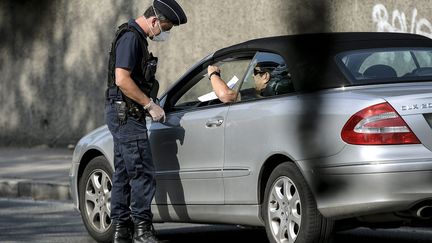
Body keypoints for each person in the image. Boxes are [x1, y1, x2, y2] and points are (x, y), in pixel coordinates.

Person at [105, 1, 187, 243]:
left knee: (123, 172)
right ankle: (142, 230)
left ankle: (122, 230)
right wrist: (149, 105)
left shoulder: (134, 37)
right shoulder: (132, 38)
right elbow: (122, 79)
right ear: (154, 21)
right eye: (166, 27)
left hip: (122, 113)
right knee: (141, 172)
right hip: (127, 114)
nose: (165, 32)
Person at [207, 61, 280, 103]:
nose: (252, 75)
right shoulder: (258, 93)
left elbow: (226, 95)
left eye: (255, 72)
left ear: (265, 76)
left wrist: (213, 74)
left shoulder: (262, 98)